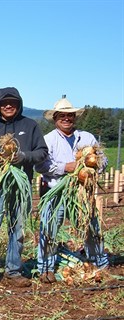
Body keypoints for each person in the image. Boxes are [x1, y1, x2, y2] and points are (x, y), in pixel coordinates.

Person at [0, 87, 48, 289]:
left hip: (20, 186)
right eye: (4, 103)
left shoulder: (30, 125)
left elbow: (42, 152)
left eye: (12, 102)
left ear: (19, 103)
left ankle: (13, 270)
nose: (8, 105)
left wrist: (24, 157)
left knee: (18, 229)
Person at [35, 97, 109, 283]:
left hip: (81, 192)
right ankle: (45, 268)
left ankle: (99, 264)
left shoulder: (87, 137)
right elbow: (41, 165)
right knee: (49, 229)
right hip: (55, 192)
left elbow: (103, 161)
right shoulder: (48, 140)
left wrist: (92, 166)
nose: (66, 119)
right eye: (62, 116)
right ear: (55, 118)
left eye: (70, 115)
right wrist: (65, 167)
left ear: (75, 117)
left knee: (91, 227)